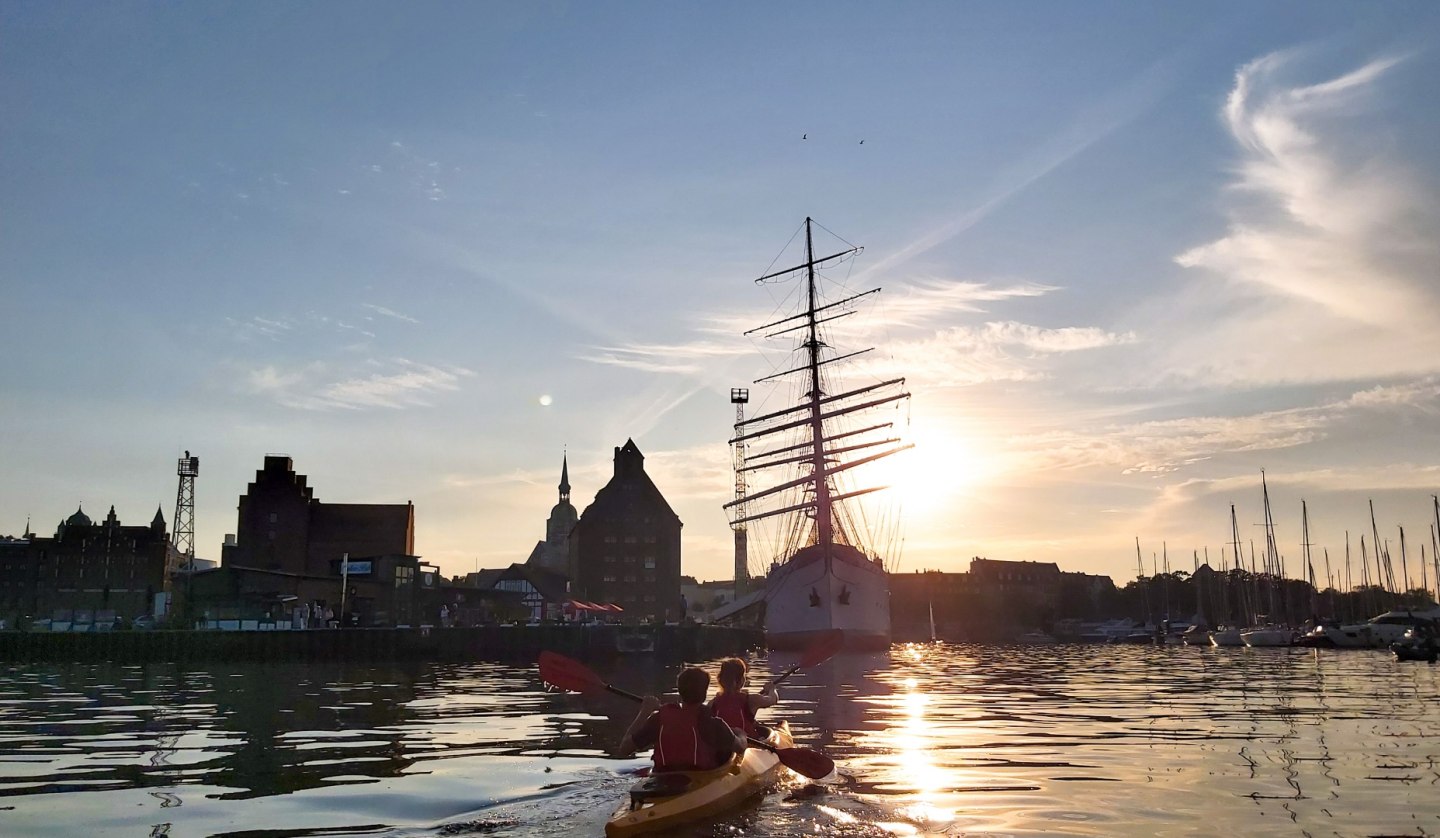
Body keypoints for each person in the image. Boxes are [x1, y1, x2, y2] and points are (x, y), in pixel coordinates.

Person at [618, 667, 744, 773]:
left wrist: (644, 712)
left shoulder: (658, 720)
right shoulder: (714, 724)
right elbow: (740, 747)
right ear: (704, 693)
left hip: (662, 779)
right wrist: (741, 734)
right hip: (700, 779)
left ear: (680, 692)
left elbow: (624, 749)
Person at [709, 657, 778, 739]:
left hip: (722, 744)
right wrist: (771, 689)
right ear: (742, 680)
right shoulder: (752, 700)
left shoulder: (712, 703)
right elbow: (773, 699)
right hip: (747, 745)